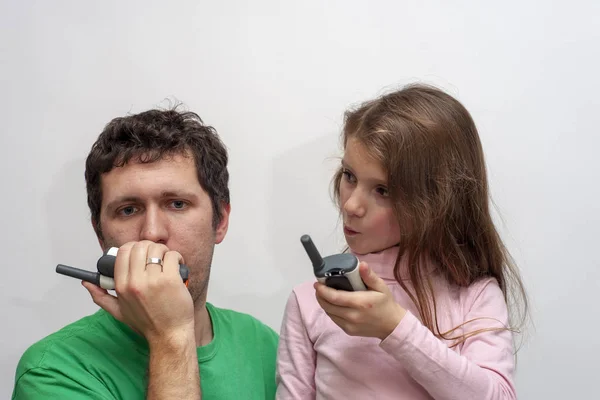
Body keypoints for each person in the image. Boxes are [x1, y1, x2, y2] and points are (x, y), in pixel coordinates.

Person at [276, 84, 529, 399]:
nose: (351, 205)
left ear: (436, 202)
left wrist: (394, 327)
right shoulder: (311, 302)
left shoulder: (473, 296)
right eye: (349, 176)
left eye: (382, 190)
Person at [13, 107, 279, 399]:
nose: (152, 232)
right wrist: (171, 337)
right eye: (128, 210)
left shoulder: (263, 344)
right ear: (100, 235)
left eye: (177, 204)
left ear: (221, 221)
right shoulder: (51, 371)